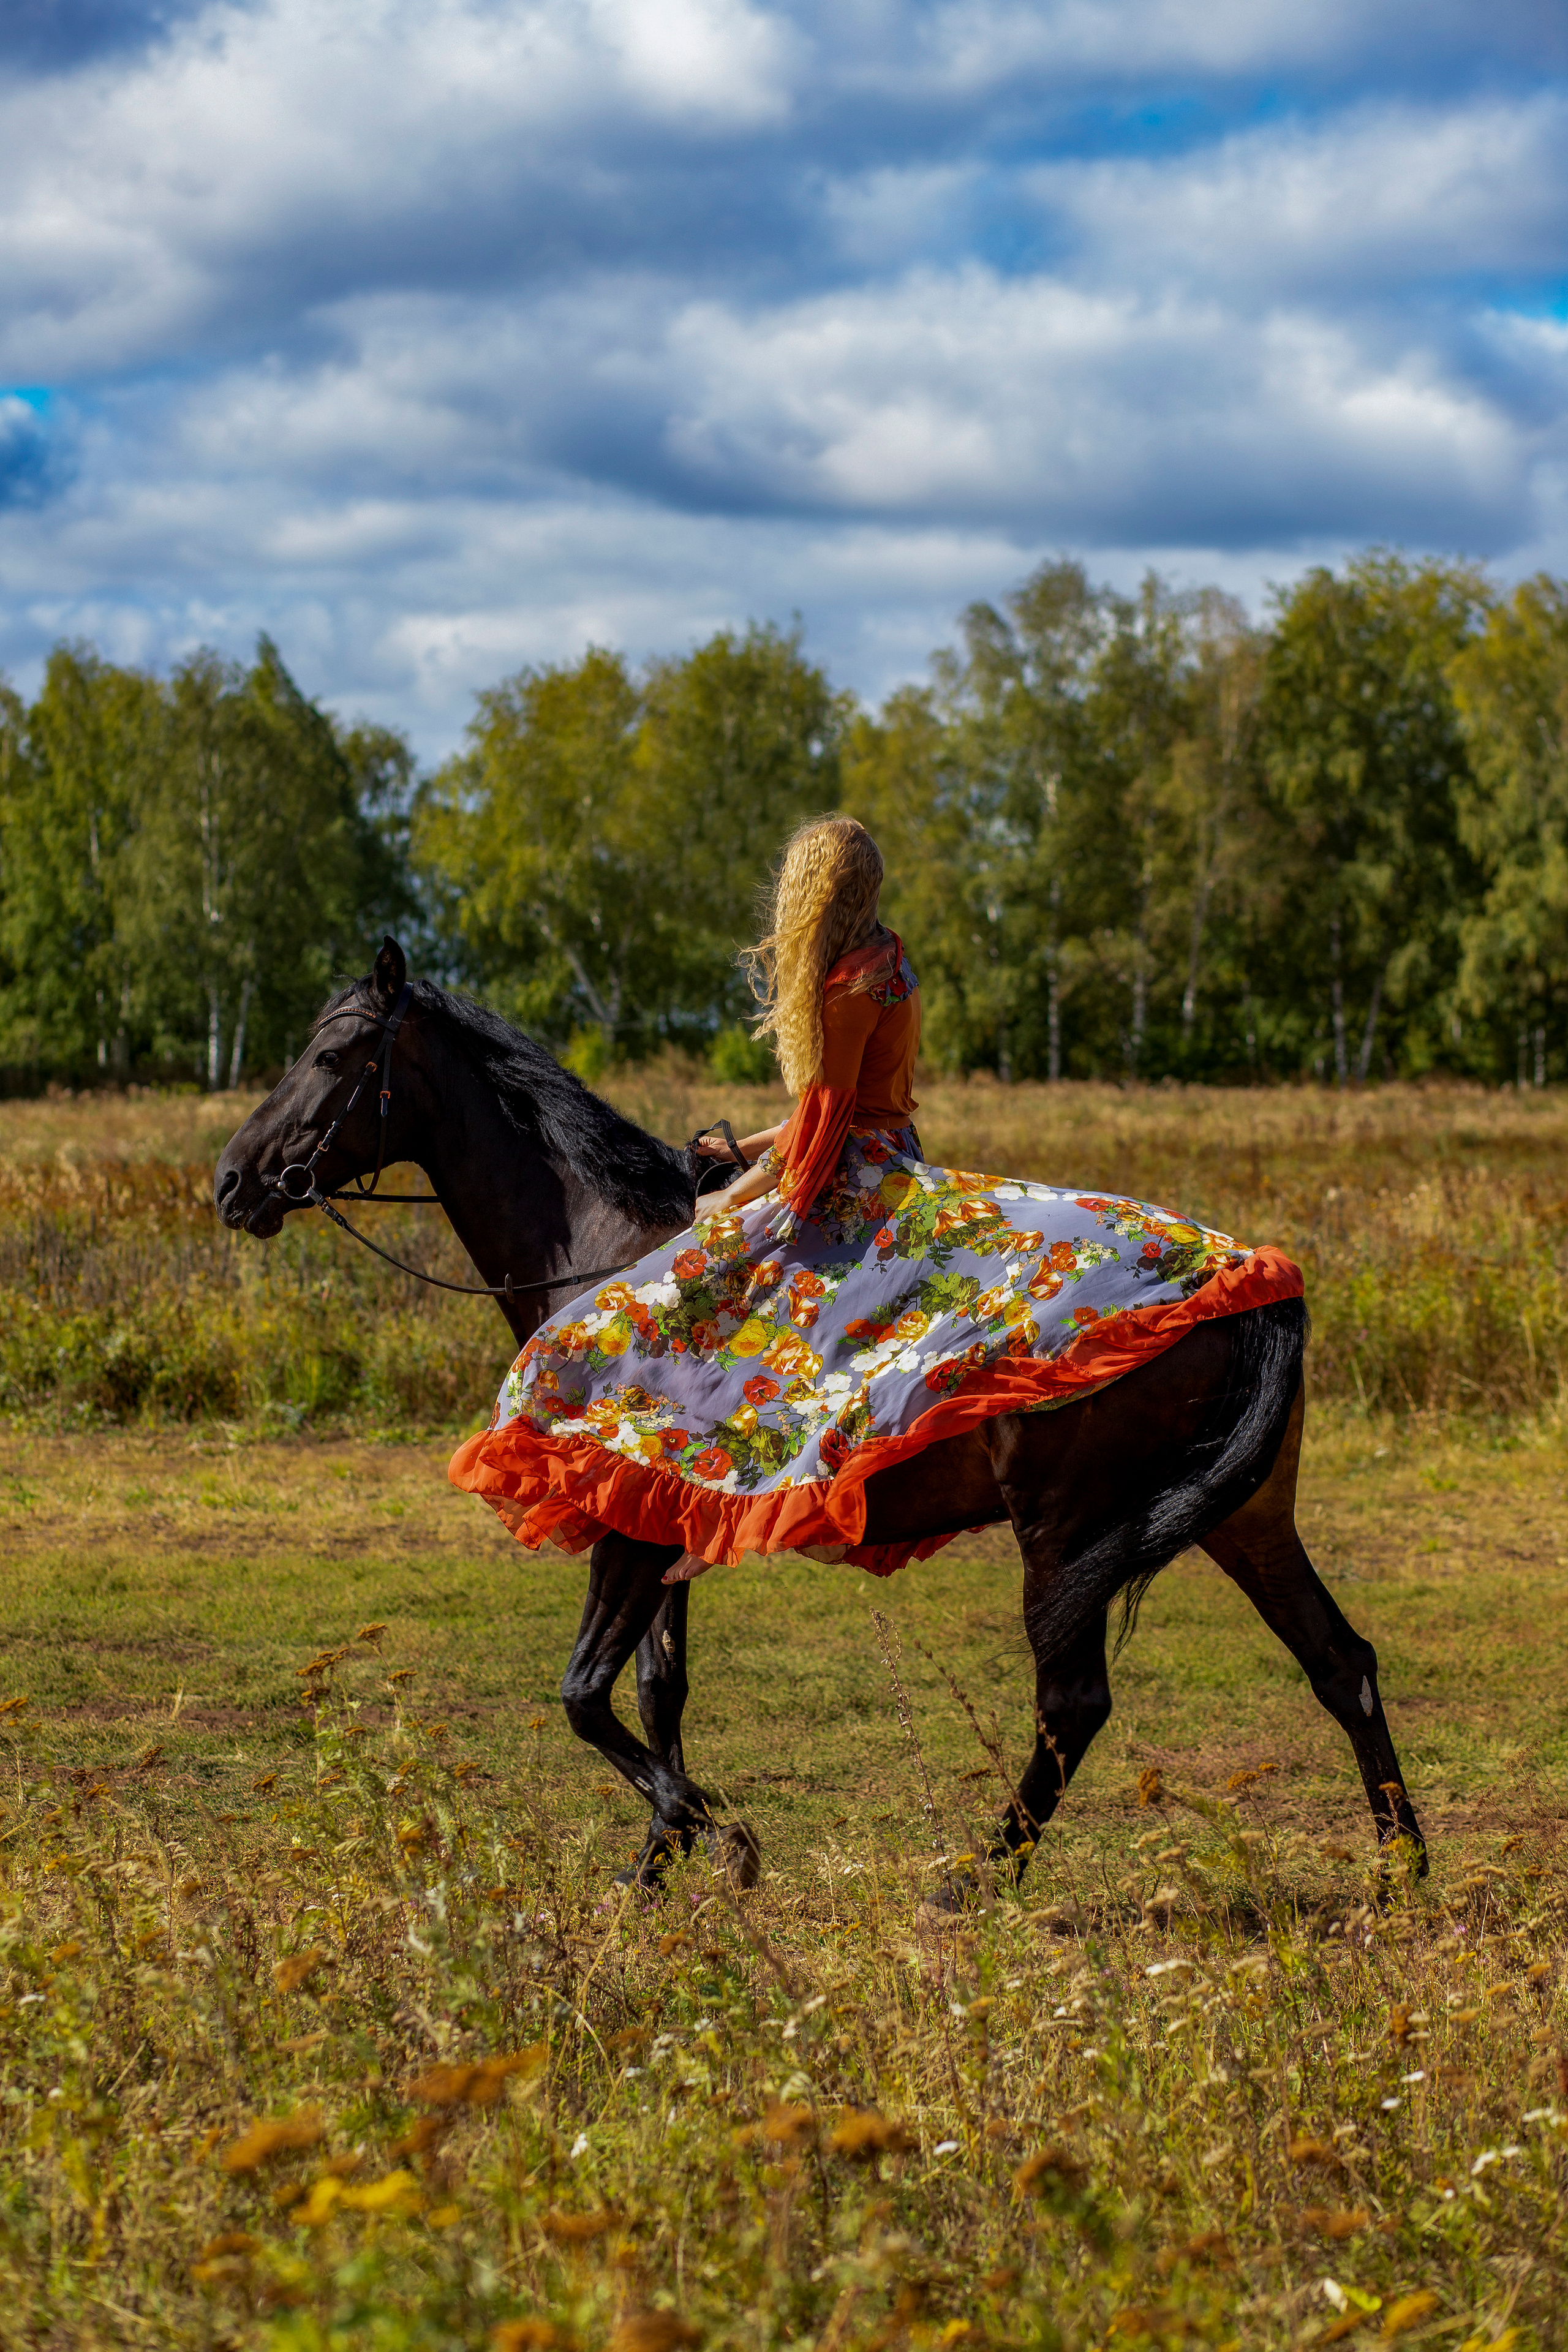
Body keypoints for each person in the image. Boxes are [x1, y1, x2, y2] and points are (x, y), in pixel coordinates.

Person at [450, 815, 1298, 1578]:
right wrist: (737, 1146)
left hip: (854, 1181)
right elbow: (837, 1108)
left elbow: (825, 1126)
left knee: (682, 1298)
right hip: (886, 1156)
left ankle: (711, 1510)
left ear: (811, 894)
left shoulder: (844, 987)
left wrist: (734, 1200)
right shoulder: (889, 965)